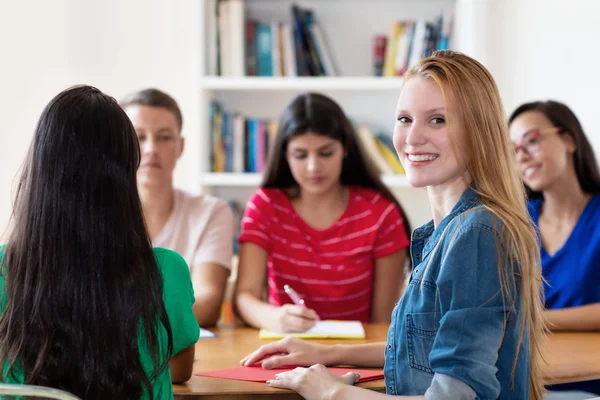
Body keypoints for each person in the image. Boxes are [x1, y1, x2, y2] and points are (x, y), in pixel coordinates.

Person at [239, 51, 546, 399]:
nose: (413, 138)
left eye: (438, 120)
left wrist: (330, 393)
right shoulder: (449, 230)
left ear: (478, 131)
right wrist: (327, 353)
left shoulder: (475, 233)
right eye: (404, 118)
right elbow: (423, 346)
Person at [0, 86, 198, 399]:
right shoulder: (166, 271)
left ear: (38, 166)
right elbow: (181, 369)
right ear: (127, 171)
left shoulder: (3, 268)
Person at [233, 92, 412, 333]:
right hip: (285, 347)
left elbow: (382, 324)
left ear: (345, 149)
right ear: (285, 155)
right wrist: (273, 318)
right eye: (300, 155)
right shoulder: (265, 205)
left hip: (354, 355)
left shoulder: (380, 214)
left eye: (326, 153)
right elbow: (244, 297)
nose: (313, 167)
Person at [121, 88, 234, 327]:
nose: (151, 149)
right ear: (120, 146)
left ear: (180, 146)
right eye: (139, 137)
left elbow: (208, 302)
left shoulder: (211, 213)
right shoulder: (96, 213)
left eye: (164, 137)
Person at [510, 100, 600, 396]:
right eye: (513, 151)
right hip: (524, 381)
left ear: (568, 140)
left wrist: (534, 319)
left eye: (531, 141)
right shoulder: (513, 221)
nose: (522, 157)